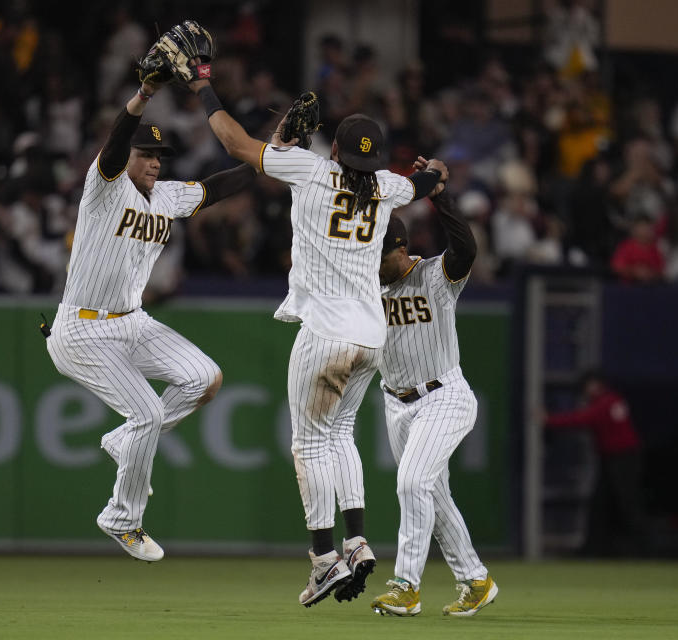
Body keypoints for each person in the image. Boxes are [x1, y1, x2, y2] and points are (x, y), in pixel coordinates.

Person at [186, 72, 447, 606]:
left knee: (308, 442)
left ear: (336, 149)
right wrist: (436, 172)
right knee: (341, 434)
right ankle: (356, 541)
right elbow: (429, 183)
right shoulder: (389, 188)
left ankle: (324, 558)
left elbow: (234, 143)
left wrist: (203, 87)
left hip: (325, 332)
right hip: (373, 338)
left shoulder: (311, 171)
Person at [44, 73, 258, 562]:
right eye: (147, 155)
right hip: (81, 329)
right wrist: (143, 95)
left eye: (159, 157)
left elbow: (222, 185)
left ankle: (124, 441)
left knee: (204, 378)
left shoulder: (165, 196)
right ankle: (122, 518)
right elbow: (118, 141)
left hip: (131, 322)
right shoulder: (104, 185)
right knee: (147, 411)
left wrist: (273, 154)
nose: (154, 163)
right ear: (128, 160)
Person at [368, 175, 498, 618]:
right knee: (435, 497)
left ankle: (406, 585)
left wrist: (442, 196)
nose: (372, 263)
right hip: (395, 404)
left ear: (400, 248)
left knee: (412, 483)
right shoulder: (369, 288)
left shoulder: (434, 275)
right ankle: (476, 579)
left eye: (378, 254)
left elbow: (466, 250)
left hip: (444, 396)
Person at [543, 371, 648, 555]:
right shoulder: (609, 401)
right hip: (611, 459)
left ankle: (641, 549)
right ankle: (594, 550)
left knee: (627, 504)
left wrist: (549, 420)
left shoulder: (607, 402)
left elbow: (582, 418)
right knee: (600, 504)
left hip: (624, 459)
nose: (586, 391)